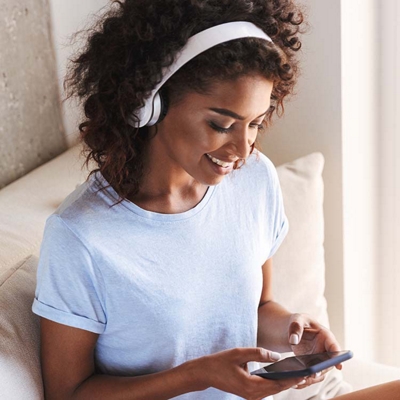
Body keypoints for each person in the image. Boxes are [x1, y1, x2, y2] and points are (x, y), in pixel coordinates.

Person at [32, 1, 400, 399]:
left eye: (255, 123)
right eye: (222, 125)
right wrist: (198, 375)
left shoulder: (254, 180)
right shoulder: (80, 236)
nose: (243, 149)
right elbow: (68, 394)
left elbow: (258, 309)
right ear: (150, 104)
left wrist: (294, 330)